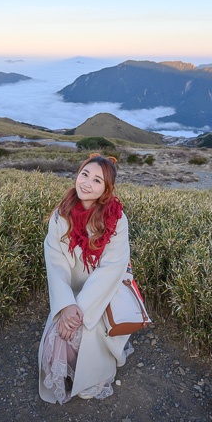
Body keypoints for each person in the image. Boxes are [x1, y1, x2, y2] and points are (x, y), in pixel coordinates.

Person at [38, 154, 133, 404]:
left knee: (84, 332)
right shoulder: (62, 214)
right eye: (84, 174)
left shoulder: (116, 219)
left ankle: (90, 374)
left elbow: (112, 267)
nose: (87, 183)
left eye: (97, 180)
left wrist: (80, 307)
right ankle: (71, 373)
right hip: (69, 290)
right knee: (59, 334)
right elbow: (56, 260)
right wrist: (66, 304)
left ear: (106, 189)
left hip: (102, 294)